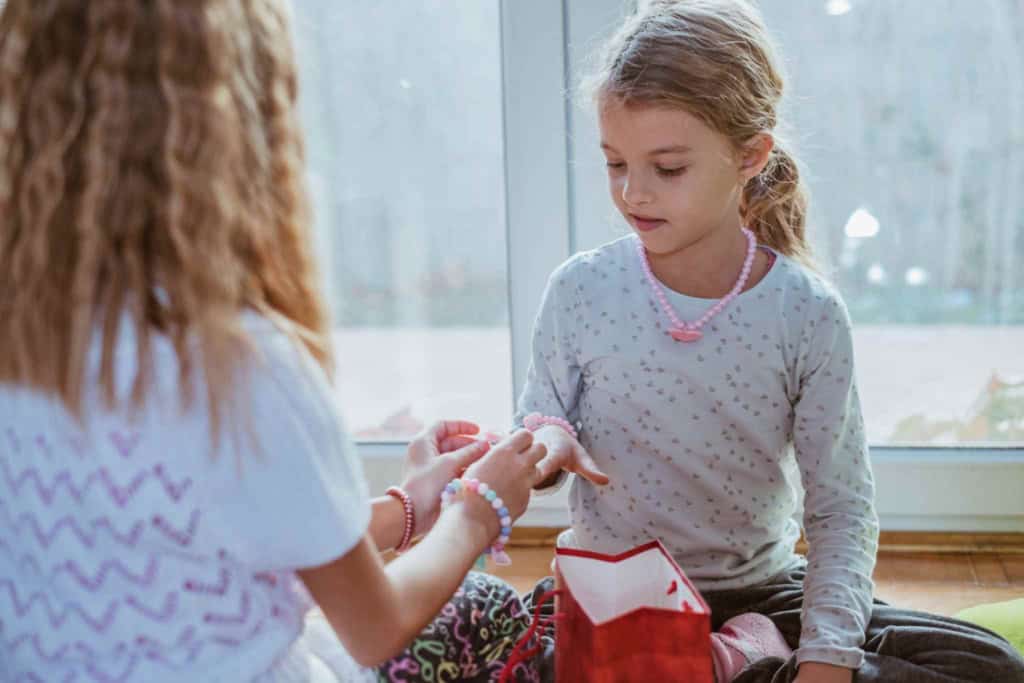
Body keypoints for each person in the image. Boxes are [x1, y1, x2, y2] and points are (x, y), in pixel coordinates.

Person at [0, 1, 547, 680]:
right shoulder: (242, 368)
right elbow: (375, 625)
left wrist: (409, 506)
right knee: (487, 607)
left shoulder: (25, 339)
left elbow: (200, 555)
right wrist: (480, 510)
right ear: (243, 126)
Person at [516, 1, 1024, 681]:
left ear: (750, 154)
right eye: (615, 164)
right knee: (504, 654)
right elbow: (540, 421)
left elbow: (841, 507)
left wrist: (828, 655)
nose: (633, 192)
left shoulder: (805, 313)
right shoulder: (579, 289)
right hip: (614, 591)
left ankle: (735, 662)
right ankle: (735, 668)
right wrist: (540, 450)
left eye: (667, 168)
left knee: (988, 663)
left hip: (763, 593)